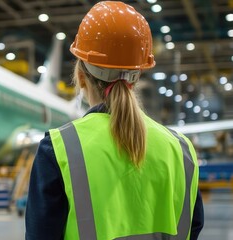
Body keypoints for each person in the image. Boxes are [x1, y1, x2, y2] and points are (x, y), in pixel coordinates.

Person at [25, 1, 204, 240]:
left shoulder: (59, 150)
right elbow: (192, 228)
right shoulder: (182, 151)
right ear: (137, 76)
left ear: (80, 76)